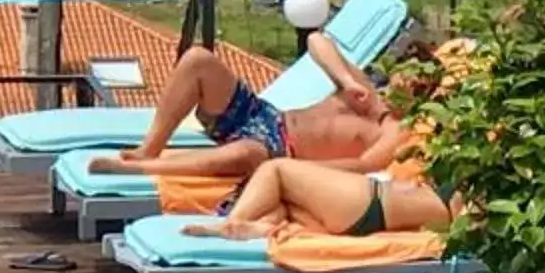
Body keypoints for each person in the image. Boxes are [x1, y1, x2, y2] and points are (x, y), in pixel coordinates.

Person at [80, 29, 417, 182]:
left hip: (277, 150)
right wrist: (346, 80)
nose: (402, 82)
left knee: (245, 156)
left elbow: (363, 167)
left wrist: (292, 173)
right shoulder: (365, 92)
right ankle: (149, 149)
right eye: (403, 74)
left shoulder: (395, 130)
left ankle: (140, 170)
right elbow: (317, 40)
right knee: (198, 59)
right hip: (264, 114)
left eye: (413, 83)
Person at [181, 148, 453, 241]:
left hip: (371, 200)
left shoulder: (480, 190)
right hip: (366, 212)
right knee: (284, 200)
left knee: (275, 170)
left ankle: (232, 223)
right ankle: (261, 228)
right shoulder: (478, 181)